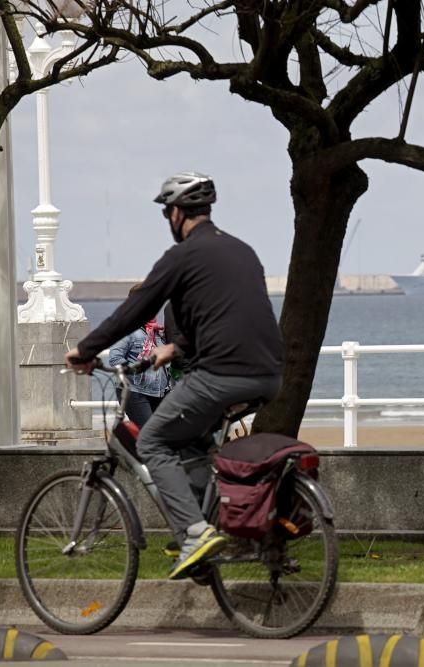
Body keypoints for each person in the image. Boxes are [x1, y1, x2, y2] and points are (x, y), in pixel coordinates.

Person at [65, 171, 284, 580]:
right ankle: (210, 532)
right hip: (270, 375)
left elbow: (136, 309)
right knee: (195, 444)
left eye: (168, 212)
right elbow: (226, 317)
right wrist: (177, 348)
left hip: (221, 375)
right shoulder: (243, 251)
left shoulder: (182, 256)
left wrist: (85, 349)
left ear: (177, 213)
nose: (169, 219)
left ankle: (195, 534)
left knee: (152, 440)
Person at [108, 284, 170, 428]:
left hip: (159, 391)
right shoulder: (127, 328)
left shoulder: (156, 330)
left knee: (162, 433)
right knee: (148, 432)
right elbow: (115, 358)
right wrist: (138, 369)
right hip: (135, 391)